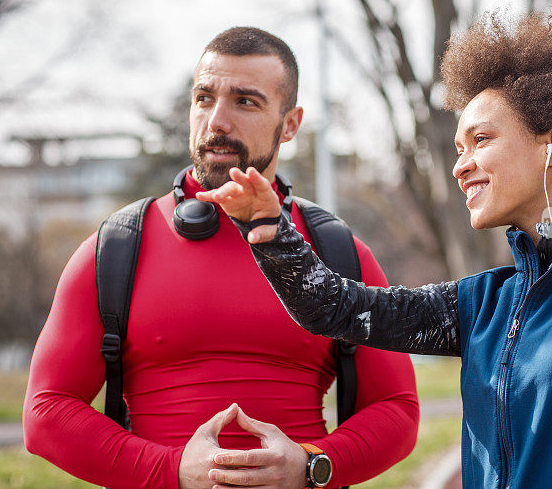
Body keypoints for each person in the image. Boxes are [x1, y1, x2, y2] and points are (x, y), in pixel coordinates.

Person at [200, 14, 552, 488]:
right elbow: (338, 309)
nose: (460, 165)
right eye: (458, 149)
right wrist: (268, 224)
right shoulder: (483, 302)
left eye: (481, 140)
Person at [23, 27, 419, 489]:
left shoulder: (337, 251)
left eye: (245, 102)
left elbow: (398, 410)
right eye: (204, 98)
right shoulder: (115, 248)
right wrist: (169, 470)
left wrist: (308, 464)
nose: (216, 121)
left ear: (290, 123)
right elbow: (46, 411)